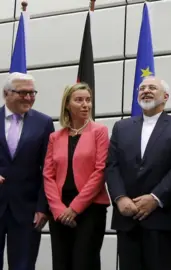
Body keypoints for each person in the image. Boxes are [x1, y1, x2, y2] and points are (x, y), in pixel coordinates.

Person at [105, 76, 171, 270]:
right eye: (142, 88)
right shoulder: (121, 127)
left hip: (161, 217)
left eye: (152, 87)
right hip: (127, 217)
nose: (146, 91)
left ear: (165, 96)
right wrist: (119, 198)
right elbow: (112, 166)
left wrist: (155, 198)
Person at [43, 83, 110, 270]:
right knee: (61, 263)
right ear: (67, 105)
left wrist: (74, 209)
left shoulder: (100, 131)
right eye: (79, 100)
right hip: (59, 210)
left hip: (90, 209)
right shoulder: (55, 137)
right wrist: (58, 210)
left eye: (88, 100)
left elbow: (100, 171)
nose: (85, 105)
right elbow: (48, 175)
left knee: (84, 263)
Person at [0, 72, 54, 269]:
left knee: (23, 265)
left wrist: (42, 207)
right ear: (6, 93)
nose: (29, 98)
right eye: (23, 93)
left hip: (27, 210)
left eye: (32, 93)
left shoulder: (44, 123)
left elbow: (48, 169)